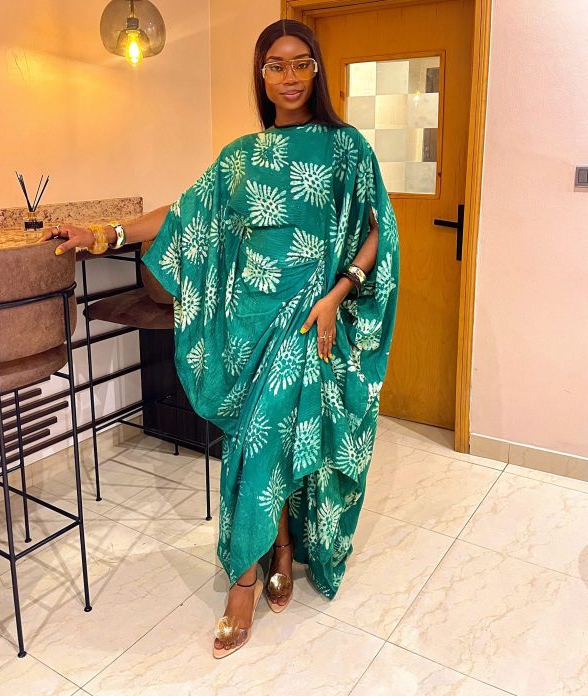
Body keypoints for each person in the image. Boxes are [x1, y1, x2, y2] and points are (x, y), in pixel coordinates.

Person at [40, 18, 399, 660]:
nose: (289, 77)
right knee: (263, 440)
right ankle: (280, 548)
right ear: (261, 75)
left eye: (301, 63)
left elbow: (379, 231)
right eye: (275, 65)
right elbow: (184, 213)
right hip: (246, 325)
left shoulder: (346, 149)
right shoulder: (241, 157)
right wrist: (102, 234)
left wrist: (339, 292)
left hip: (307, 322)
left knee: (259, 444)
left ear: (317, 69)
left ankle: (242, 583)